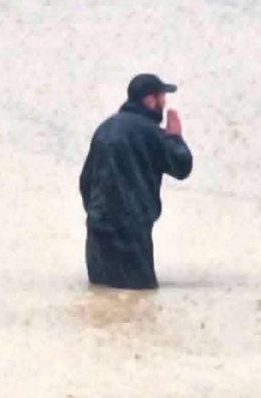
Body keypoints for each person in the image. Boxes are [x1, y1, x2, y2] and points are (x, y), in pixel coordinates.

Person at [80, 74, 193, 290]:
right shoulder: (152, 134)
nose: (164, 104)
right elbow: (182, 167)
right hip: (131, 233)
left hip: (97, 230)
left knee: (103, 300)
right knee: (139, 298)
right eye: (162, 98)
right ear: (149, 100)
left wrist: (96, 214)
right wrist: (175, 136)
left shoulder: (104, 129)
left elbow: (86, 181)